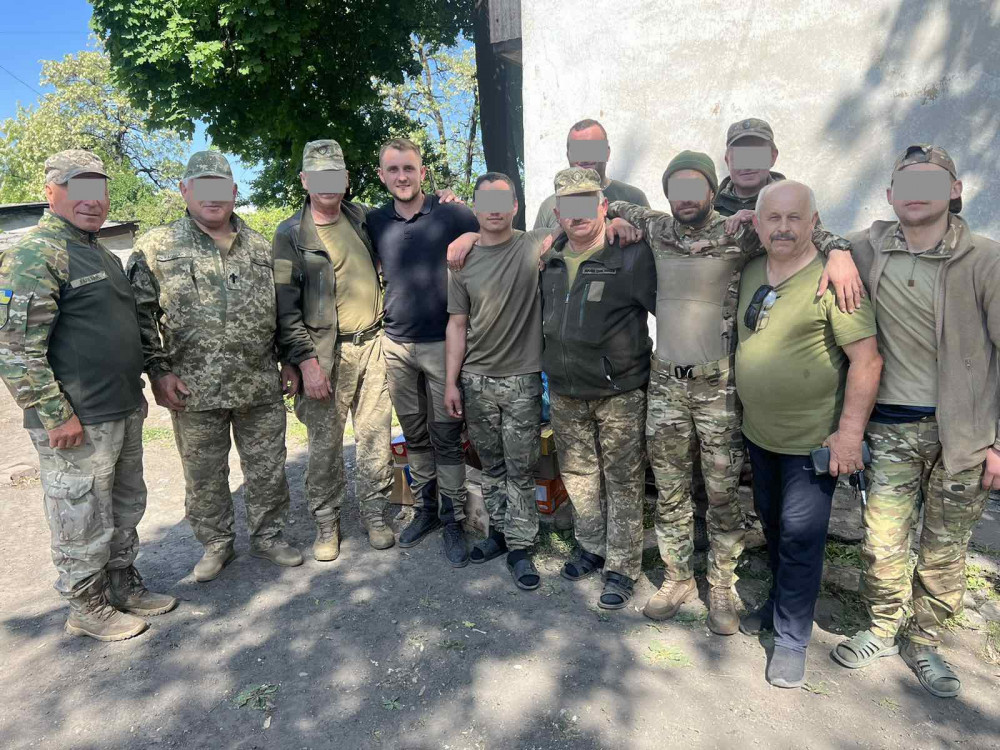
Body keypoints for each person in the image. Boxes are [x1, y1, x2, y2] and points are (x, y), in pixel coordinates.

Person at [607, 153, 862, 635]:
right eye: (676, 187)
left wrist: (840, 251)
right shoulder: (657, 228)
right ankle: (678, 578)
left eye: (695, 187)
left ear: (712, 190)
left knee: (722, 493)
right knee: (670, 490)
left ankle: (722, 585)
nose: (685, 197)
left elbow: (801, 228)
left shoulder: (739, 232)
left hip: (718, 387)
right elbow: (610, 202)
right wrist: (614, 222)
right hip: (665, 385)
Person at [831, 145, 1000, 699]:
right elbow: (811, 234)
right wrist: (836, 253)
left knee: (945, 549)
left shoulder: (986, 260)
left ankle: (925, 641)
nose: (916, 193)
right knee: (882, 541)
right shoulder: (868, 246)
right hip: (892, 429)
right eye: (905, 184)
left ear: (955, 190)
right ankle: (882, 628)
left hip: (965, 436)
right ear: (889, 196)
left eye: (930, 182)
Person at [0, 149, 176, 641]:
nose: (92, 201)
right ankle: (85, 604)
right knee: (80, 514)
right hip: (77, 417)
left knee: (123, 505)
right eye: (78, 189)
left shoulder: (100, 253)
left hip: (120, 406)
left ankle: (121, 584)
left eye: (99, 190)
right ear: (50, 191)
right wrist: (55, 414)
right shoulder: (37, 253)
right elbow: (15, 349)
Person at [127, 151, 302, 582]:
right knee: (204, 475)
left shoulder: (261, 246)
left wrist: (290, 360)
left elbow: (282, 309)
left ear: (234, 192)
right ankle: (216, 543)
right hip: (193, 386)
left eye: (220, 187)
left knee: (268, 468)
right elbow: (139, 316)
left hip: (259, 382)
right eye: (202, 187)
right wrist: (158, 371)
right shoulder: (156, 246)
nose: (212, 196)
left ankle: (269, 537)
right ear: (184, 191)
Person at [736, 180, 882, 688]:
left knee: (800, 540)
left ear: (814, 223)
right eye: (772, 218)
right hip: (759, 435)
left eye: (794, 217)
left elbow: (867, 361)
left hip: (811, 444)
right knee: (774, 528)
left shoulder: (836, 280)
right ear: (758, 224)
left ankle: (792, 640)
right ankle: (779, 604)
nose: (783, 227)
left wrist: (849, 435)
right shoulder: (751, 268)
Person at [272, 139, 395, 561]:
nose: (328, 184)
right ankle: (327, 521)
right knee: (325, 447)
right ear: (305, 180)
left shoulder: (360, 217)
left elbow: (408, 214)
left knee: (375, 438)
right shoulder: (290, 234)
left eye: (335, 175)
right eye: (318, 176)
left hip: (373, 345)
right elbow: (285, 308)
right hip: (326, 354)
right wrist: (306, 363)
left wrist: (446, 200)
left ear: (345, 179)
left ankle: (375, 513)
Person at [541, 166, 656, 610]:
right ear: (557, 214)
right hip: (566, 391)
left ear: (604, 206)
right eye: (568, 206)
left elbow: (666, 309)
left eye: (587, 203)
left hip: (619, 392)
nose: (578, 214)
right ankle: (591, 547)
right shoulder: (548, 260)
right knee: (579, 477)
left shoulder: (630, 254)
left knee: (623, 481)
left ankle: (623, 567)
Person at [366, 138, 480, 567]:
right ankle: (426, 509)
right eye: (393, 169)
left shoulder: (452, 213)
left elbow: (494, 232)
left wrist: (470, 233)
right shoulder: (373, 221)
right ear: (382, 175)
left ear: (423, 172)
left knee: (446, 433)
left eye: (409, 168)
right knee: (414, 434)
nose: (402, 176)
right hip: (395, 344)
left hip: (442, 343)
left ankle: (452, 519)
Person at [443, 172, 555, 590]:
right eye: (486, 202)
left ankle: (521, 548)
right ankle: (500, 533)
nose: (494, 209)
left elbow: (582, 222)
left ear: (515, 207)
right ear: (475, 208)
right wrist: (451, 383)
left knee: (520, 468)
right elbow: (457, 325)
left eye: (502, 201)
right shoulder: (461, 261)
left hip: (522, 380)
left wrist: (616, 220)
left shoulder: (535, 244)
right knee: (490, 466)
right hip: (476, 381)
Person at [533, 119, 649, 229]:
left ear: (607, 153)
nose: (585, 158)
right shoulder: (549, 206)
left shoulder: (633, 198)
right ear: (568, 156)